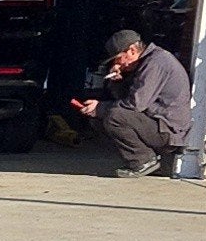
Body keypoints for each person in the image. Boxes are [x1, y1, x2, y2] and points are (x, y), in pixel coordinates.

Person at [71, 27, 192, 175]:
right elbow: (128, 101)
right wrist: (117, 81)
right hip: (156, 125)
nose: (117, 63)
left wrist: (100, 108)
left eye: (118, 58)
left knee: (114, 116)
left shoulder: (156, 63)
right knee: (103, 119)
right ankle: (147, 160)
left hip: (168, 131)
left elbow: (135, 104)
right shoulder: (147, 62)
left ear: (132, 51)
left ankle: (142, 161)